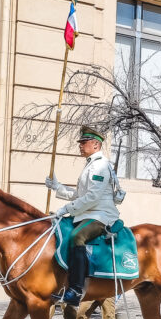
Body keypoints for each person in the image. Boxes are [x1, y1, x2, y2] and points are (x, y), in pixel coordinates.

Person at [45, 125, 120, 307]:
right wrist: (58, 187)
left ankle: (76, 289)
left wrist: (66, 209)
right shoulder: (91, 165)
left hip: (101, 216)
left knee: (78, 236)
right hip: (87, 213)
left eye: (84, 142)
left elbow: (92, 198)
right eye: (81, 142)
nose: (80, 145)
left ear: (95, 145)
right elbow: (80, 195)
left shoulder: (101, 166)